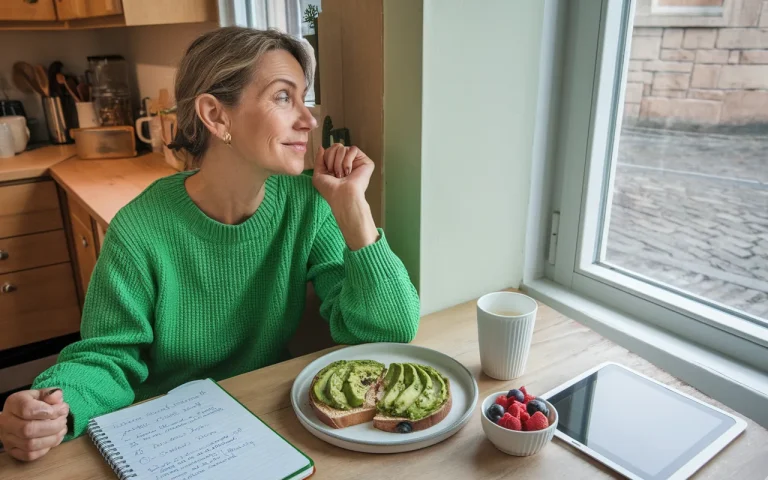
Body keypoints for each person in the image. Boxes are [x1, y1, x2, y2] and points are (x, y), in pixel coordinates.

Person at [0, 27, 420, 462]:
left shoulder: (307, 205)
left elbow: (390, 331)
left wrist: (353, 209)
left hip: (267, 416)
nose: (309, 119)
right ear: (216, 116)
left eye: (304, 97)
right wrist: (53, 407)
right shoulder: (140, 230)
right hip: (164, 433)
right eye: (282, 97)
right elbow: (107, 358)